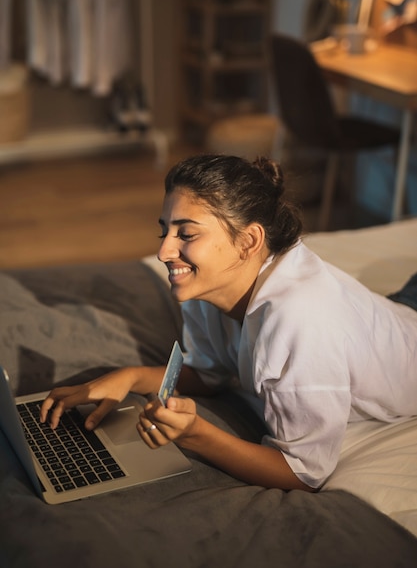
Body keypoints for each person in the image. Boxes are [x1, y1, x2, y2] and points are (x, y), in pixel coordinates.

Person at [40, 154, 417, 491]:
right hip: (397, 312)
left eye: (186, 234)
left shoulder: (301, 321)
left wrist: (196, 434)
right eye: (165, 231)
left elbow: (303, 473)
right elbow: (213, 373)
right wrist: (130, 378)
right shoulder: (205, 286)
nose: (163, 251)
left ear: (249, 241)